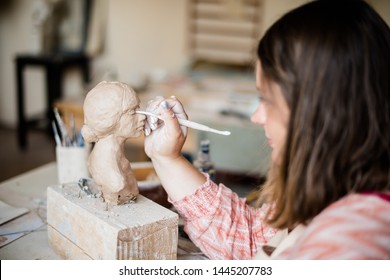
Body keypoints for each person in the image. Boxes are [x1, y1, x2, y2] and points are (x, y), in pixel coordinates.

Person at [143, 0, 390, 259]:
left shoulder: (348, 245)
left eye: (268, 100)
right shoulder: (331, 188)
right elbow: (252, 243)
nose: (256, 116)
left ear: (326, 111)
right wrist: (166, 157)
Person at [82, 81, 145, 205]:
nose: (142, 117)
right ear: (111, 120)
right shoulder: (112, 175)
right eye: (133, 112)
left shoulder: (117, 159)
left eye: (139, 108)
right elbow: (116, 185)